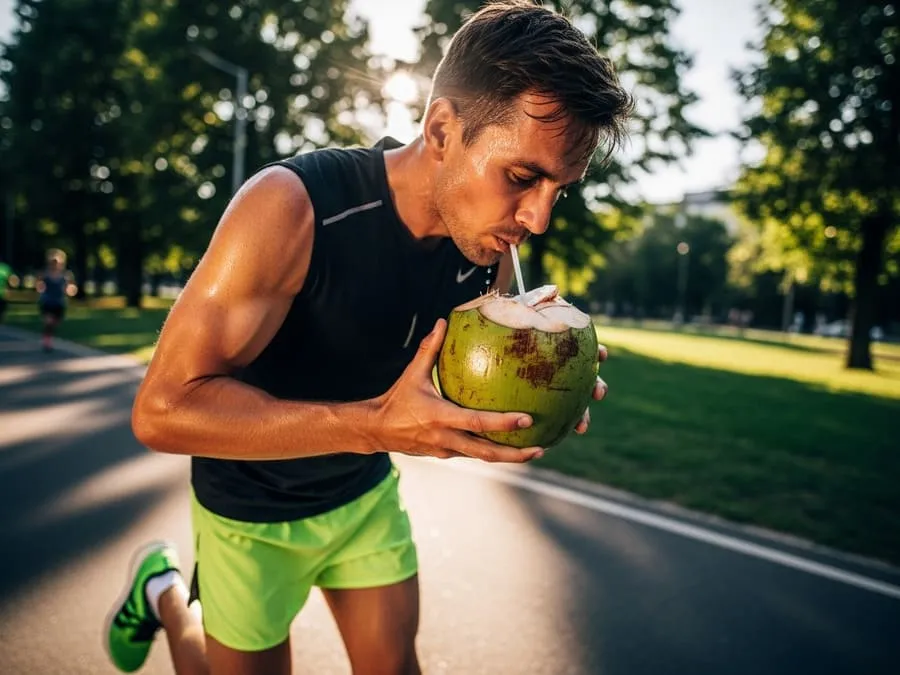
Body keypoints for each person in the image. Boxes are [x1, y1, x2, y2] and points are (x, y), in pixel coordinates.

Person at [104, 1, 634, 673]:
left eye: (560, 189)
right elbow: (161, 410)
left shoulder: (489, 255)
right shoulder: (292, 209)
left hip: (360, 494)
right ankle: (165, 592)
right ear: (443, 128)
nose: (538, 218)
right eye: (522, 177)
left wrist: (540, 381)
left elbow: (441, 387)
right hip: (250, 507)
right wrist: (376, 425)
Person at [35, 248, 75, 350]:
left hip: (59, 302)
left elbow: (70, 287)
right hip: (47, 301)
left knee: (55, 322)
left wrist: (70, 290)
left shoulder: (66, 275)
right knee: (48, 322)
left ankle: (49, 338)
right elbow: (39, 283)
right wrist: (40, 287)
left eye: (57, 262)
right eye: (53, 262)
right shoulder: (45, 274)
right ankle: (47, 342)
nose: (55, 264)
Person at [0, 256, 14, 322]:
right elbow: (11, 281)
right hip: (4, 293)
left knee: (2, 309)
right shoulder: (6, 268)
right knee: (2, 309)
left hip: (3, 293)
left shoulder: (6, 268)